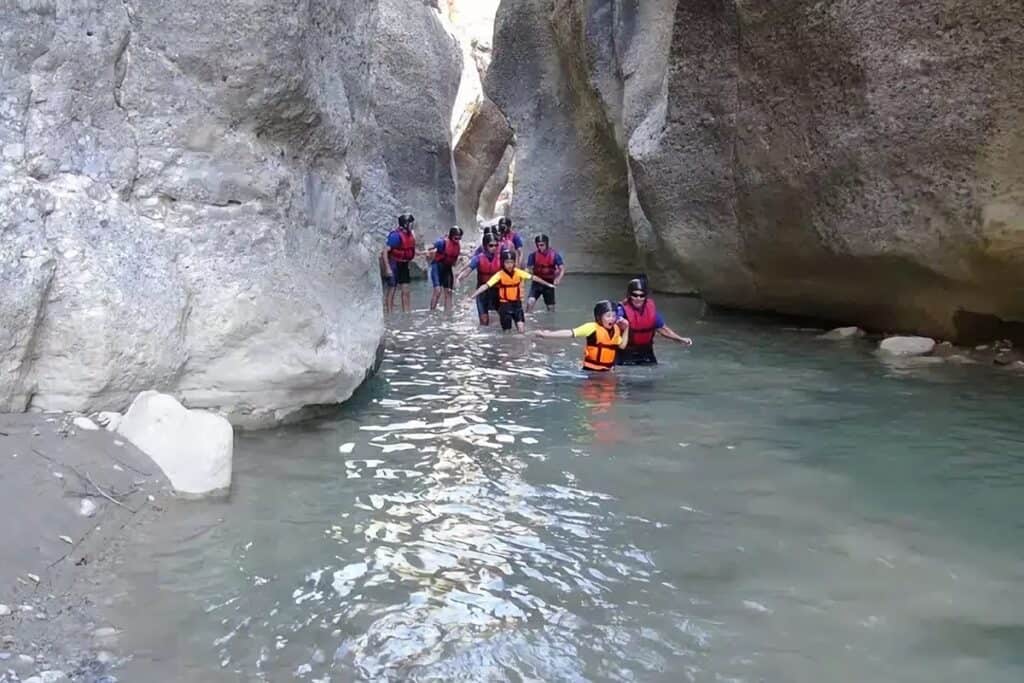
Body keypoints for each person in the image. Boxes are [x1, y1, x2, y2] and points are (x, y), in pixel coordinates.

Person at [466, 249, 555, 333]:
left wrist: (548, 284)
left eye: (511, 262)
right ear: (503, 263)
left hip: (517, 305)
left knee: (521, 330)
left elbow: (534, 278)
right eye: (507, 262)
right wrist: (472, 296)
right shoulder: (499, 275)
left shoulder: (518, 272)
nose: (509, 265)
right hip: (505, 306)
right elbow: (486, 286)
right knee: (507, 332)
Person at [534, 300, 630, 372]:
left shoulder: (616, 329)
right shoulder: (591, 327)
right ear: (599, 317)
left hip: (608, 371)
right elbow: (569, 333)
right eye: (608, 316)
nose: (612, 319)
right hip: (590, 371)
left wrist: (626, 328)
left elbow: (622, 346)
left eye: (614, 316)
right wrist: (546, 334)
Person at [615, 277, 692, 365]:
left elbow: (663, 329)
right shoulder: (620, 311)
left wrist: (680, 339)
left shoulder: (651, 310)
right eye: (635, 295)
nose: (638, 298)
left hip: (646, 352)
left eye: (642, 295)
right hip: (625, 353)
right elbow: (610, 325)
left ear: (645, 296)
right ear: (629, 295)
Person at [456, 234, 504, 326]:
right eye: (491, 245)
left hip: (497, 292)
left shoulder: (501, 258)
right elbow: (468, 271)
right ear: (485, 246)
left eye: (496, 245)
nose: (494, 248)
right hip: (482, 293)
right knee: (484, 321)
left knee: (504, 319)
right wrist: (459, 278)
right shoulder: (478, 258)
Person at [422, 226, 463, 312]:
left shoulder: (457, 246)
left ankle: (448, 314)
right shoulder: (441, 243)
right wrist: (427, 253)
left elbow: (454, 263)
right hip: (437, 267)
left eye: (459, 238)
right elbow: (430, 247)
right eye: (456, 237)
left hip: (447, 269)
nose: (458, 240)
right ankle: (432, 312)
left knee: (448, 292)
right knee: (437, 291)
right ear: (451, 236)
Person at [382, 213, 416, 313]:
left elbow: (409, 249)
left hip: (404, 264)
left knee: (406, 290)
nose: (412, 225)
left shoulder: (409, 235)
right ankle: (389, 312)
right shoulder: (396, 236)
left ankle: (407, 312)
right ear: (405, 224)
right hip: (394, 263)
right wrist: (387, 268)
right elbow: (385, 251)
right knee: (392, 288)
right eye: (410, 223)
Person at [525, 234, 564, 312]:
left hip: (549, 283)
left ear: (546, 244)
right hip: (536, 283)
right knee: (530, 302)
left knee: (551, 309)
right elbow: (529, 269)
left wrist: (558, 279)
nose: (540, 247)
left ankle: (550, 322)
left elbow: (562, 269)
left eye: (542, 245)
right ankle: (527, 318)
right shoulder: (532, 256)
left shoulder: (555, 255)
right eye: (538, 245)